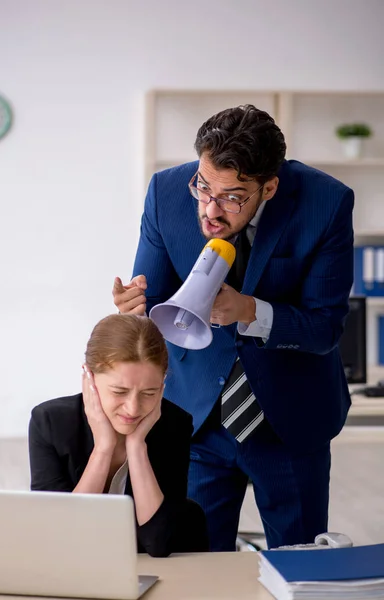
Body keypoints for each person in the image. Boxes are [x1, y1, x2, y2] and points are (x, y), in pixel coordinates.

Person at [112, 104, 354, 552]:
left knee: (296, 566)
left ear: (269, 186)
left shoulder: (327, 202)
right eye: (203, 187)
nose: (210, 208)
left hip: (290, 419)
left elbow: (324, 327)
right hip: (197, 414)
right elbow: (156, 305)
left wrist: (248, 310)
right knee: (194, 561)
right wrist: (135, 311)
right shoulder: (166, 192)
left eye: (232, 197)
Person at [28, 313, 208, 557]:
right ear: (88, 378)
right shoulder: (50, 423)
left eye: (149, 393)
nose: (133, 408)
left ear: (163, 385)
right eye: (119, 391)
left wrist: (137, 448)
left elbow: (158, 543)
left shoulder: (174, 425)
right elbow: (62, 539)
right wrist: (103, 448)